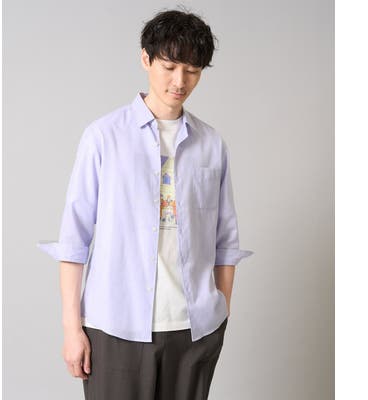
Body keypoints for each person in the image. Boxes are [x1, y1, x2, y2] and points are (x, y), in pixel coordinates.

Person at [37, 7, 253, 400]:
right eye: (169, 67)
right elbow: (74, 239)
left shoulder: (211, 144)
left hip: (194, 329)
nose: (179, 81)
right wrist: (72, 327)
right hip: (115, 326)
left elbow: (225, 241)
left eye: (192, 70)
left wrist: (220, 312)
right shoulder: (103, 136)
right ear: (145, 59)